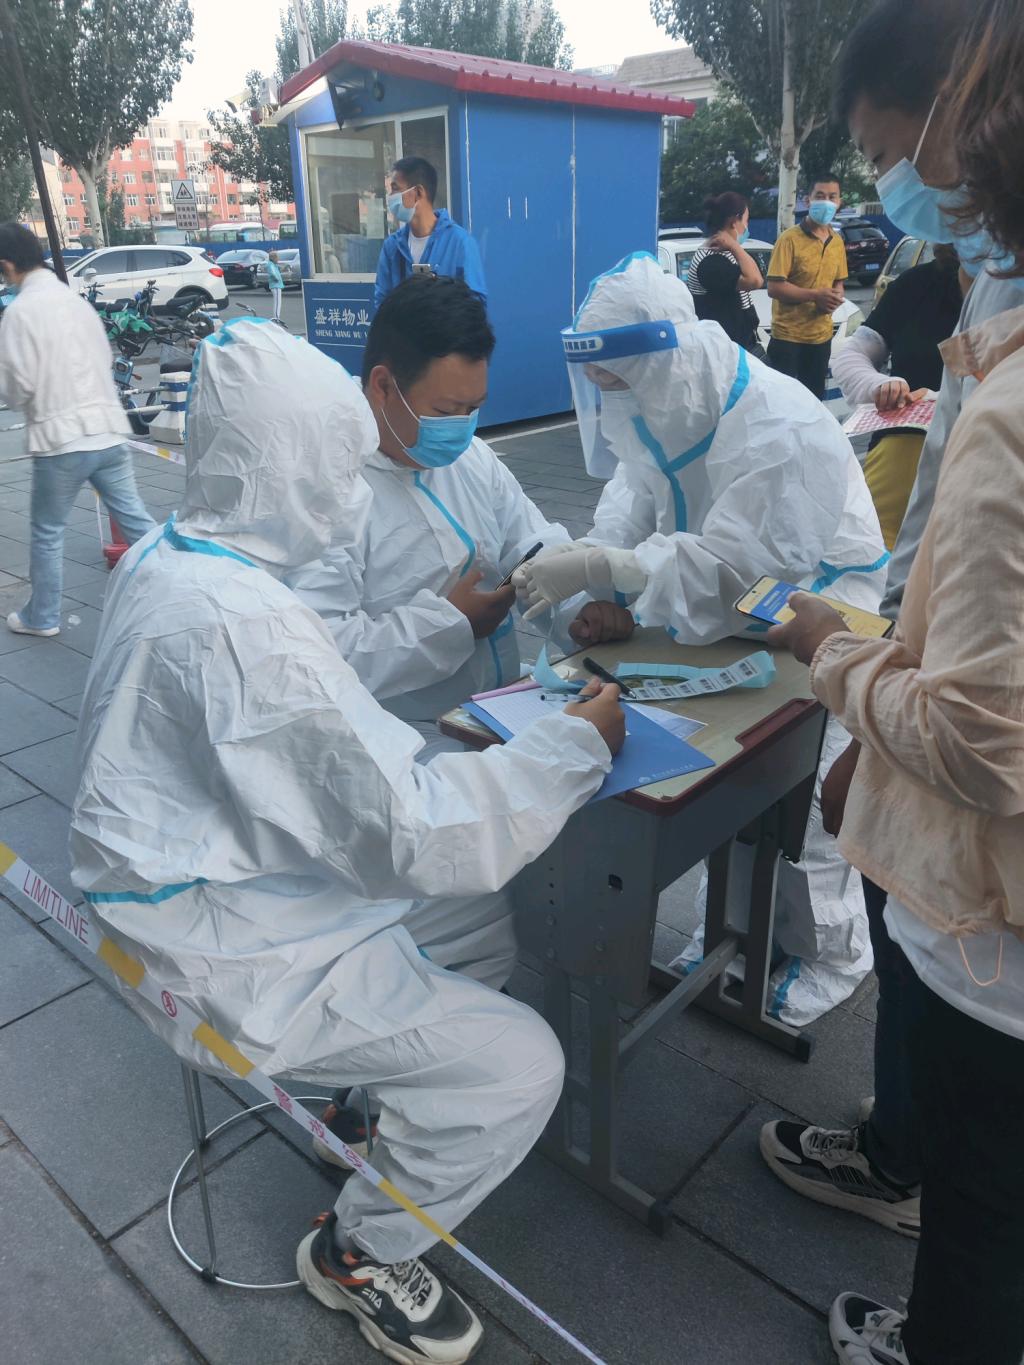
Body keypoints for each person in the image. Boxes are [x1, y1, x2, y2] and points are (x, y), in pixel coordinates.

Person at [71, 318, 624, 1365]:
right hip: (226, 942)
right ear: (287, 467)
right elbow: (416, 834)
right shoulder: (241, 622)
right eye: (334, 471)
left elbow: (356, 786)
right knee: (519, 1067)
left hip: (230, 875)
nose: (346, 497)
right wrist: (573, 749)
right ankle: (360, 1251)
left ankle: (379, 1116)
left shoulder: (181, 552)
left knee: (475, 926)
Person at [760, 3, 1024, 1362]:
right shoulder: (985, 306)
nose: (883, 188)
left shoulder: (1011, 395)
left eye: (884, 153)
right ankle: (898, 1153)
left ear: (966, 119)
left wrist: (834, 659)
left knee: (987, 1200)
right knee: (973, 1156)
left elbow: (984, 732)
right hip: (940, 780)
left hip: (991, 897)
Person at [514, 251, 889, 1026]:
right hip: (722, 606)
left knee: (804, 795)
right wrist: (605, 586)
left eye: (616, 382)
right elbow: (633, 500)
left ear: (659, 364)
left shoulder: (780, 426)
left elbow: (740, 573)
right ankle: (737, 933)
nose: (609, 400)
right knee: (731, 784)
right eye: (600, 386)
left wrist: (603, 567)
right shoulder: (662, 404)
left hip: (820, 603)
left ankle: (829, 954)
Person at [289, 274, 614, 757]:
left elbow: (529, 544)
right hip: (404, 737)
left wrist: (577, 610)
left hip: (500, 708)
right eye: (445, 410)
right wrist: (449, 625)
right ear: (383, 386)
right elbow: (323, 649)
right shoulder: (329, 491)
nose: (460, 427)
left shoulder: (471, 459)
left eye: (473, 408)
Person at [0, 222, 154, 638]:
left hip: (61, 439)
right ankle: (179, 587)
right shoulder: (75, 302)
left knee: (48, 532)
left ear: (8, 265)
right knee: (137, 523)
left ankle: (42, 617)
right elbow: (103, 357)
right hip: (108, 430)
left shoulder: (20, 312)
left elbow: (17, 385)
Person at [832, 245, 962, 548]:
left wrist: (940, 400)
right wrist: (879, 385)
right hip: (903, 455)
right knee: (878, 556)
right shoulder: (917, 284)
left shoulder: (1008, 295)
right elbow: (852, 356)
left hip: (987, 459)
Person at [765, 173, 848, 399]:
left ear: (839, 202)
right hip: (787, 339)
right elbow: (774, 287)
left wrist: (835, 297)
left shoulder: (837, 241)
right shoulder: (789, 239)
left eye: (832, 197)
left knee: (814, 404)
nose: (826, 202)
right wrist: (815, 295)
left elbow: (839, 281)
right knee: (783, 404)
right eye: (820, 196)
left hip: (821, 338)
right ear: (808, 200)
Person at [374, 156, 486, 311]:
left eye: (395, 188)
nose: (390, 197)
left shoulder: (460, 243)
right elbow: (382, 303)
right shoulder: (392, 247)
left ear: (418, 192)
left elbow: (475, 307)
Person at [687, 191, 764, 352]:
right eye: (746, 220)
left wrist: (733, 247)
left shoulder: (726, 252)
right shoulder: (711, 261)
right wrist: (735, 246)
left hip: (737, 345)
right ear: (734, 222)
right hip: (725, 350)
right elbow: (755, 281)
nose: (747, 227)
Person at [265, 250, 284, 322]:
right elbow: (272, 273)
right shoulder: (270, 265)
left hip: (276, 285)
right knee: (277, 302)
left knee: (277, 302)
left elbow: (275, 269)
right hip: (276, 285)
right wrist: (277, 279)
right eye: (277, 257)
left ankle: (276, 317)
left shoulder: (272, 264)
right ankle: (276, 317)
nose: (278, 259)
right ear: (274, 258)